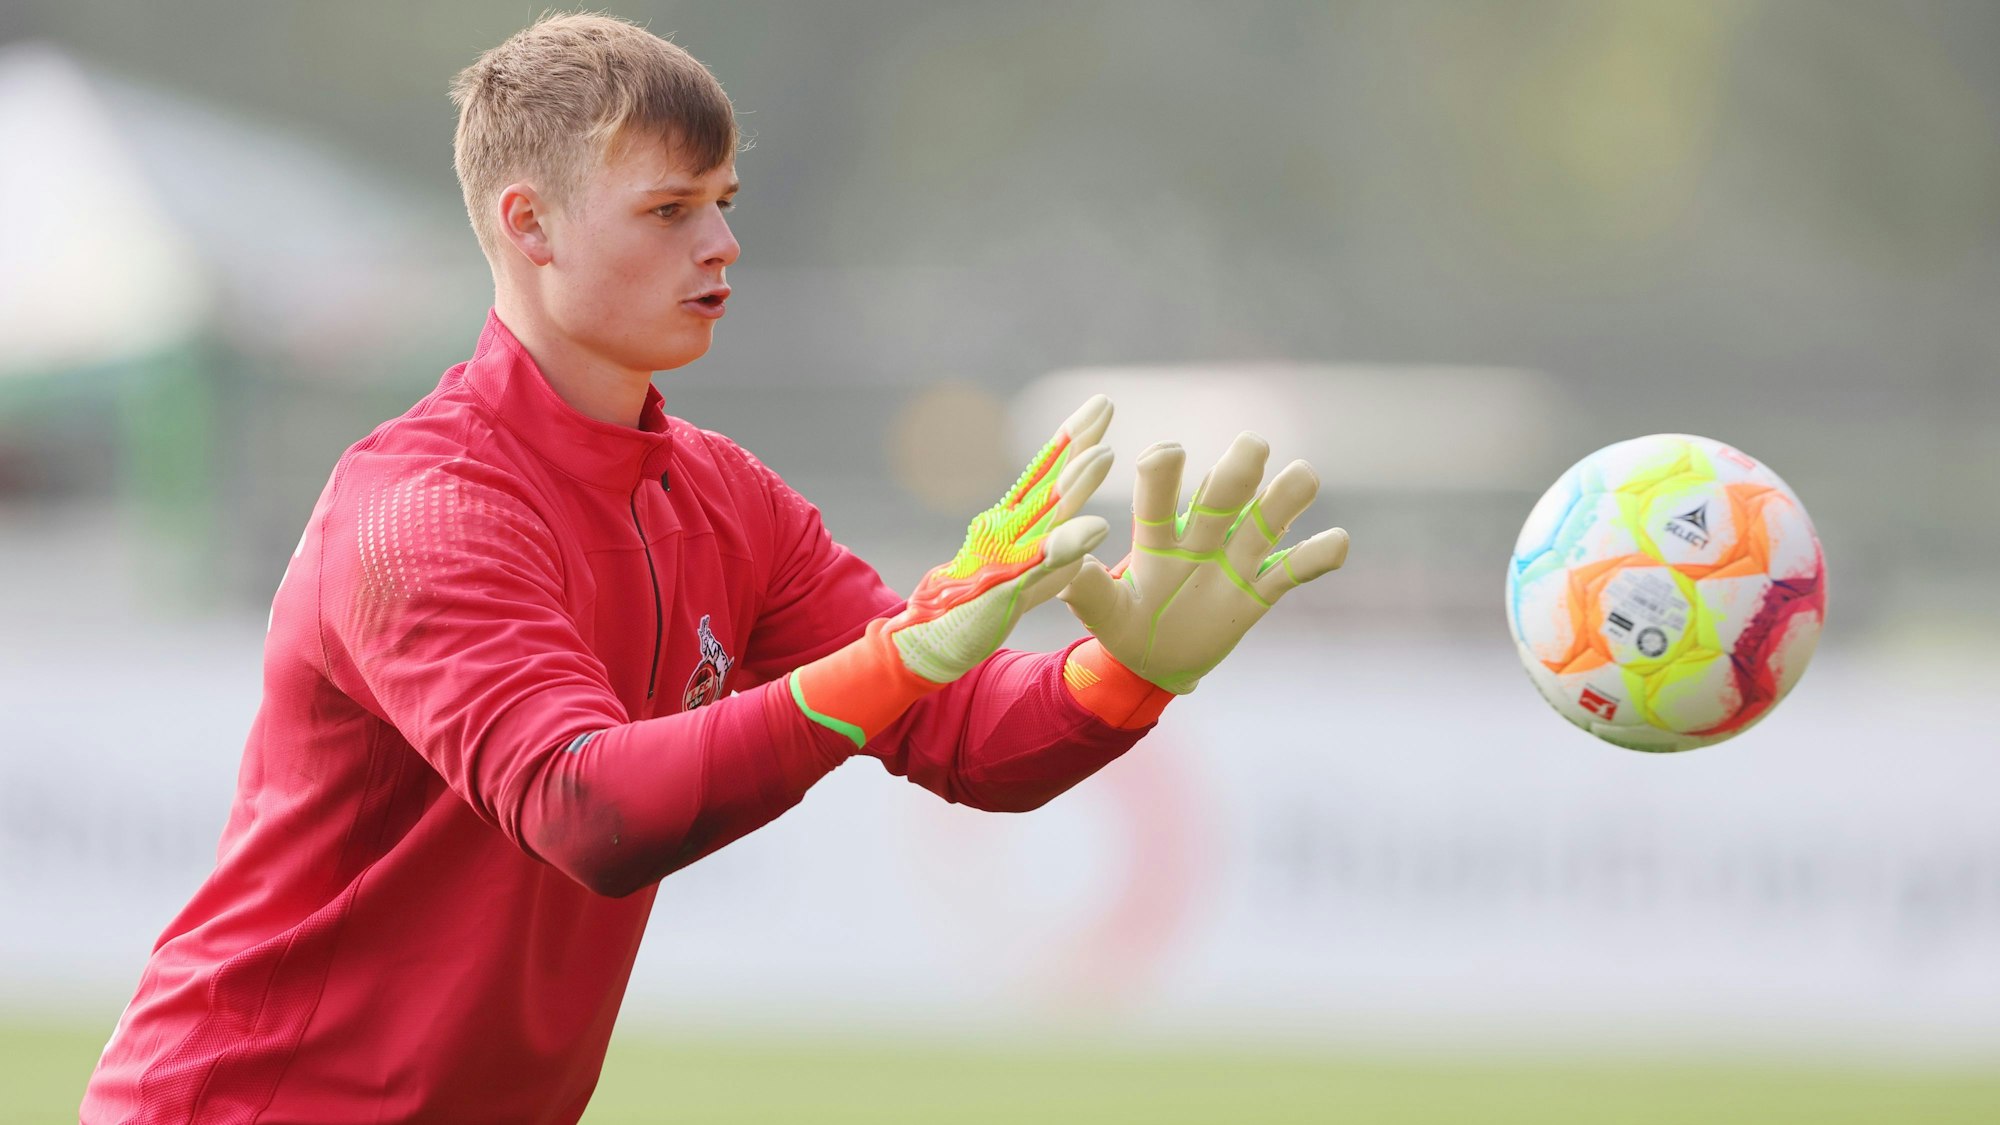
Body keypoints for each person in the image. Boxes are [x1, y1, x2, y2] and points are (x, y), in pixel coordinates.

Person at [81, 12, 1348, 1124]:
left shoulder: (722, 498)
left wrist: (1121, 676)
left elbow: (960, 736)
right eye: (669, 209)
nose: (722, 245)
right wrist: (890, 659)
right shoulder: (421, 514)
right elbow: (588, 811)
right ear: (528, 225)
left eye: (725, 201)